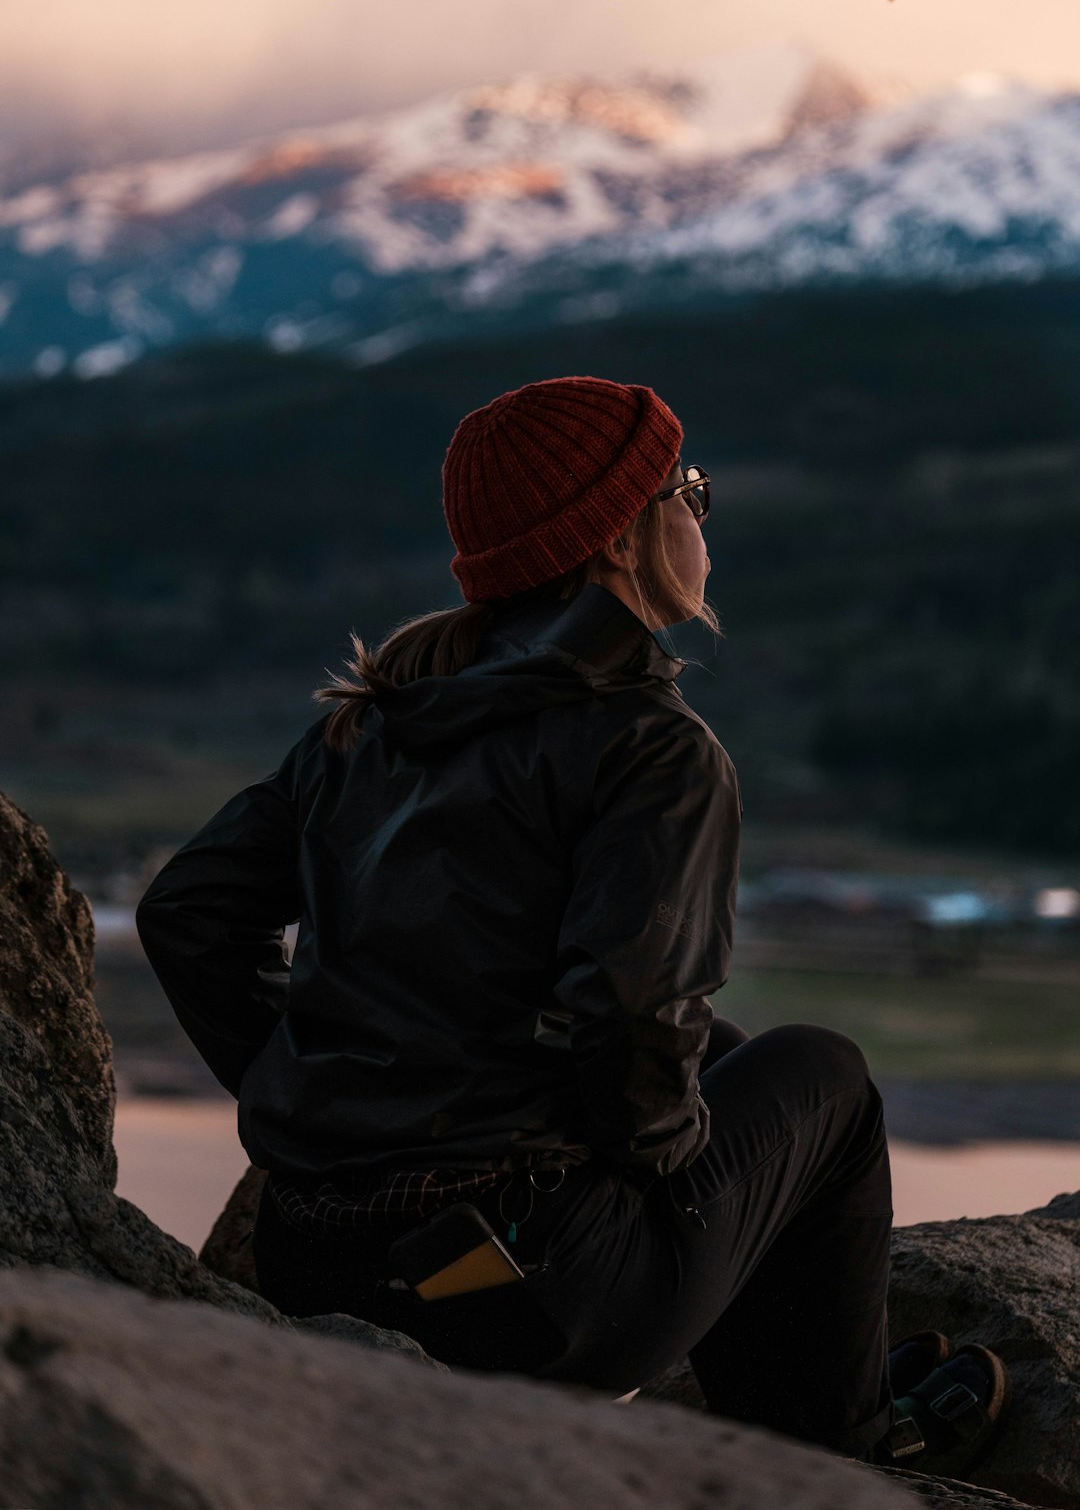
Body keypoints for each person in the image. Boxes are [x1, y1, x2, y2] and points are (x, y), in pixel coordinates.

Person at [137, 375, 1009, 1471]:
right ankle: (845, 1451)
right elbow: (630, 1021)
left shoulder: (372, 722)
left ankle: (806, 1373)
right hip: (521, 1299)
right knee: (825, 1082)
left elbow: (188, 914)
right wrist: (659, 1167)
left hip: (314, 1259)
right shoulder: (651, 747)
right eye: (686, 489)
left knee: (730, 1060)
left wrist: (315, 1099)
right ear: (617, 540)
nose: (701, 511)